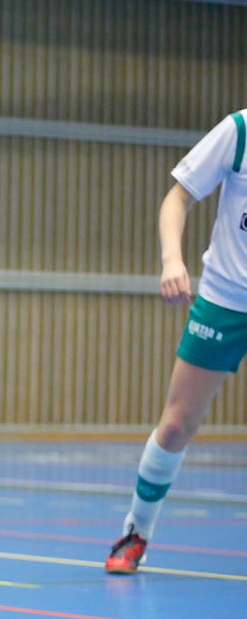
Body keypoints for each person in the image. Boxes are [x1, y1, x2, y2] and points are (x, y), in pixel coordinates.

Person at [106, 110, 247, 573]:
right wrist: (172, 260)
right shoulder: (240, 131)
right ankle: (136, 532)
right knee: (176, 426)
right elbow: (177, 198)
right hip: (225, 300)